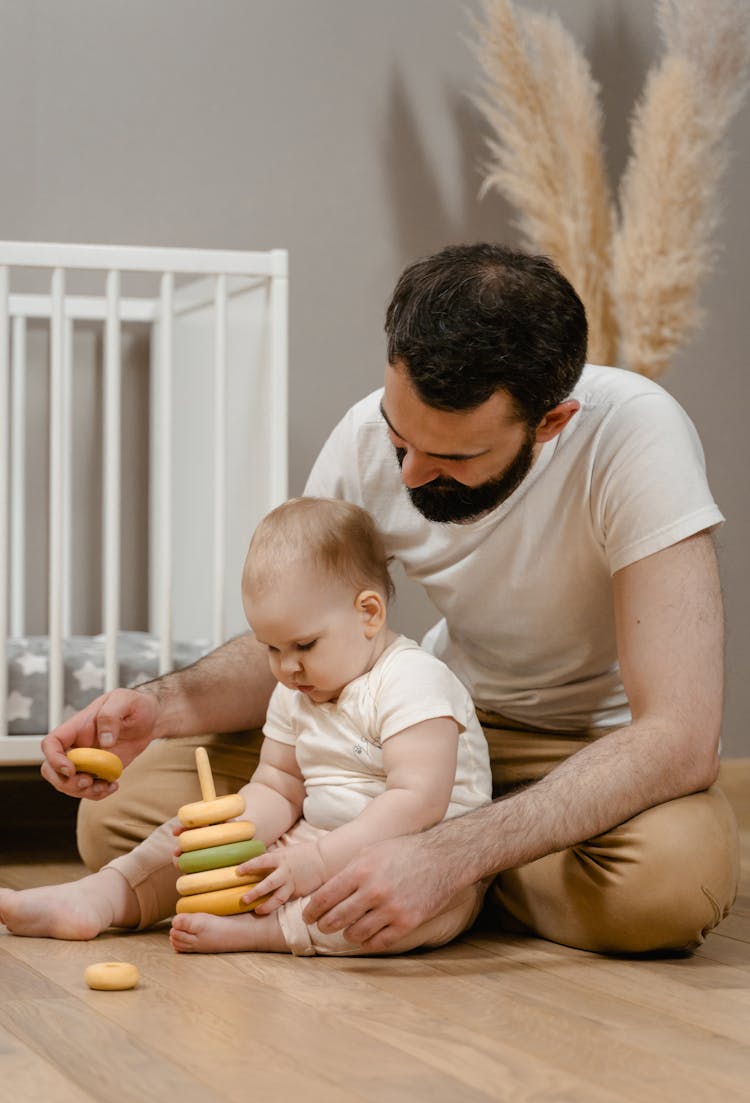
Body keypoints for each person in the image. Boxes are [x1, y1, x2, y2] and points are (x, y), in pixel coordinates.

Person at [35, 242, 739, 956]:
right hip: (414, 730)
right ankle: (414, 873)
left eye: (455, 456)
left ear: (550, 422)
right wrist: (159, 709)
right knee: (118, 818)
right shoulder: (368, 435)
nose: (409, 470)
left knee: (668, 885)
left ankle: (437, 873)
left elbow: (678, 736)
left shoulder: (636, 437)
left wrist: (453, 850)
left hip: (586, 751)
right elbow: (302, 632)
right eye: (401, 435)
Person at [0, 497, 492, 955]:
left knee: (387, 906)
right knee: (192, 837)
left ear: (368, 613)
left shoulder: (413, 680)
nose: (287, 668)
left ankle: (270, 932)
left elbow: (416, 802)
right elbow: (279, 786)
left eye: (303, 646)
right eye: (272, 649)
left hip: (422, 856)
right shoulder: (295, 690)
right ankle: (101, 897)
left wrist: (318, 864)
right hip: (316, 840)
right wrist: (230, 834)